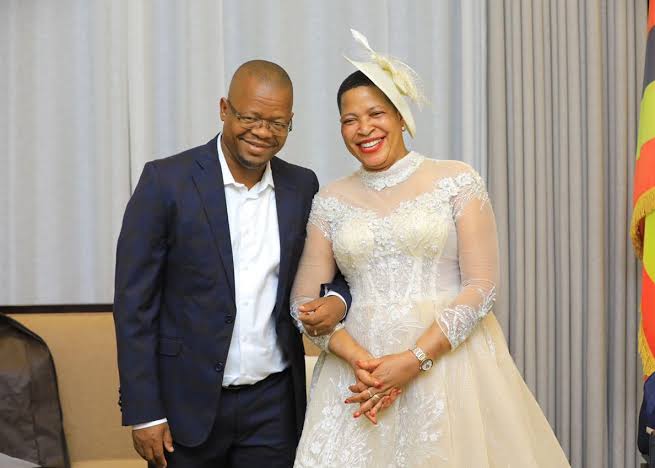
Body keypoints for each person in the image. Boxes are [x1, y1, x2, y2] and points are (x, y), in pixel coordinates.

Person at [291, 30, 570, 467]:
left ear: (400, 116)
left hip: (449, 366)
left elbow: (481, 286)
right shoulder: (330, 200)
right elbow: (302, 302)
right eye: (349, 119)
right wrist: (362, 361)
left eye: (376, 113)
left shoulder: (455, 179)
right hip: (359, 377)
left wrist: (413, 359)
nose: (364, 129)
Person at [113, 59, 351, 468]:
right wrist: (145, 411)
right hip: (185, 404)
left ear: (290, 123)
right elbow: (135, 304)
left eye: (277, 123)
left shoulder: (302, 186)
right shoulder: (166, 182)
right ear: (224, 109)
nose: (262, 132)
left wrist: (337, 300)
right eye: (250, 117)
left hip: (274, 406)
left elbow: (338, 268)